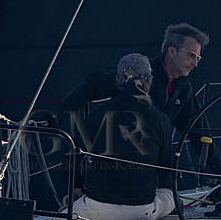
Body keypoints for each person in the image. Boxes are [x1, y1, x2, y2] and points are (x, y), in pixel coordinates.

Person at [43, 54, 176, 220]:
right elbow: (167, 171)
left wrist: (79, 188)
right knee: (169, 195)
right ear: (149, 80)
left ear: (118, 81)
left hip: (98, 208)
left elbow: (71, 160)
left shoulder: (97, 116)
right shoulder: (161, 119)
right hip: (144, 208)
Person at [59, 22, 209, 141]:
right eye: (191, 55)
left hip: (152, 165)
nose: (195, 63)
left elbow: (196, 131)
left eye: (198, 58)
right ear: (172, 51)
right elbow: (93, 85)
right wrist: (56, 118)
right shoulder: (140, 73)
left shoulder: (184, 89)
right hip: (121, 160)